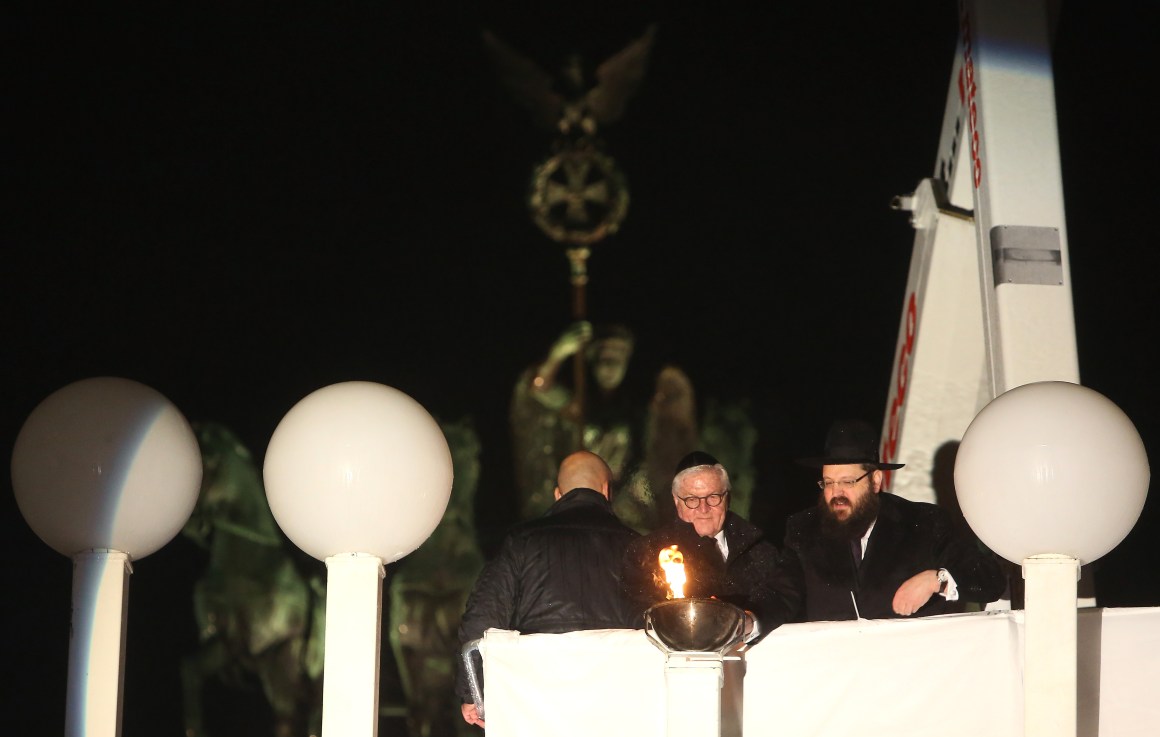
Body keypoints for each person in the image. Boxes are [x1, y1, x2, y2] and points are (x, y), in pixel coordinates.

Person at [455, 451, 640, 729]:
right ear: (606, 490)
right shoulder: (638, 548)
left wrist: (473, 692)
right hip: (615, 705)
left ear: (557, 494)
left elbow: (483, 616)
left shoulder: (521, 541)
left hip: (535, 704)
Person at [777, 419, 1006, 622]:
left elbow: (989, 580)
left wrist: (936, 579)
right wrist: (749, 620)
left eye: (847, 482)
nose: (836, 493)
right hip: (836, 666)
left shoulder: (924, 524)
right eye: (828, 482)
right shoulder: (804, 529)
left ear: (875, 481)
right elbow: (780, 595)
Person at [509, 321, 698, 532]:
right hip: (587, 504)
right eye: (603, 360)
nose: (609, 368)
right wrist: (558, 352)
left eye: (616, 360)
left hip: (631, 509)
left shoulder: (639, 410)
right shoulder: (579, 407)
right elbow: (539, 388)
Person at [621, 451, 785, 641]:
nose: (704, 508)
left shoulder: (760, 550)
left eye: (713, 497)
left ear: (727, 498)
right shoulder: (646, 553)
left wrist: (747, 620)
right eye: (692, 500)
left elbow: (779, 604)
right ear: (677, 501)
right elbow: (636, 615)